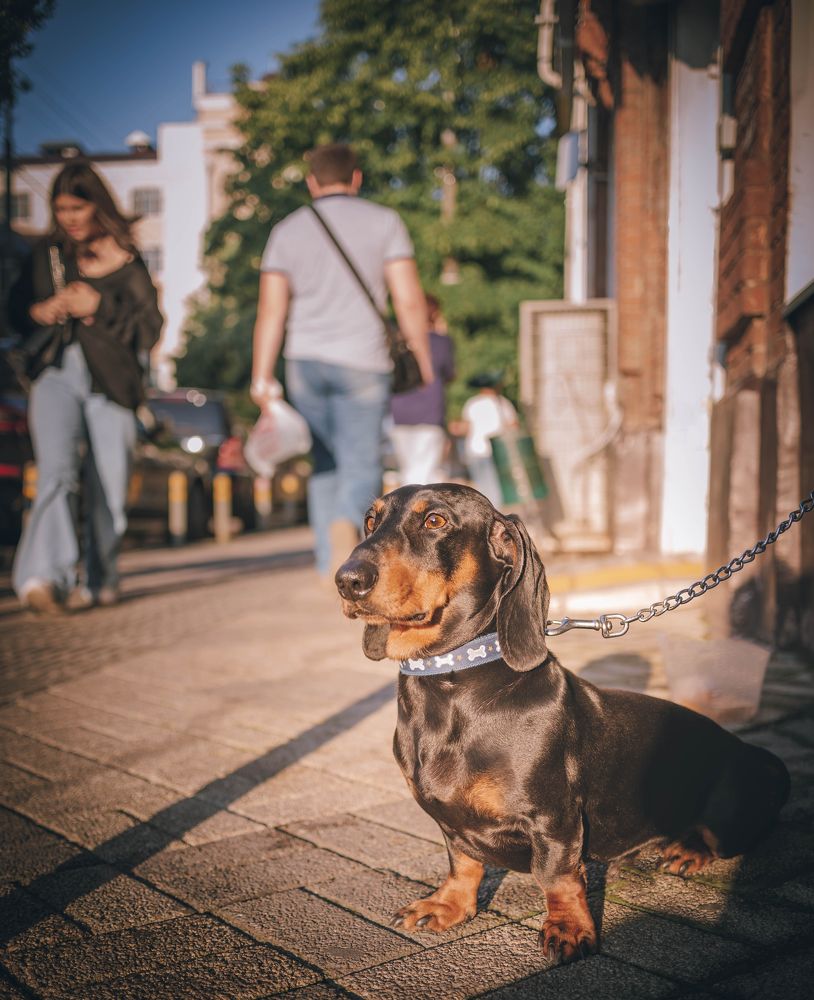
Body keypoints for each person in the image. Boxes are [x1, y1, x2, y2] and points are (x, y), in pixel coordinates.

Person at [250, 142, 433, 578]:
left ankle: (323, 561)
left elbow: (271, 310)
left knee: (325, 461)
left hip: (304, 361)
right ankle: (346, 531)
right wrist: (422, 358)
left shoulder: (287, 230)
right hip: (362, 360)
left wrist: (261, 375)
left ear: (312, 181)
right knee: (361, 460)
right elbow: (408, 300)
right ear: (356, 178)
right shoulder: (384, 222)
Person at [7, 161, 163, 613]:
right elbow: (15, 312)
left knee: (109, 488)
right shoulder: (46, 256)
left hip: (112, 382)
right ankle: (42, 578)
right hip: (54, 372)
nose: (70, 217)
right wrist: (40, 312)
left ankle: (101, 577)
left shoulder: (128, 264)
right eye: (61, 209)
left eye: (78, 207)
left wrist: (100, 304)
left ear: (98, 205)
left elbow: (149, 330)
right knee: (56, 473)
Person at [389, 293, 455, 486]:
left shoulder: (395, 341)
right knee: (424, 470)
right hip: (430, 412)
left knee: (408, 470)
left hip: (399, 412)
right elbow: (450, 374)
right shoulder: (440, 341)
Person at [453, 372, 519, 507]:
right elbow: (514, 426)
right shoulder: (502, 403)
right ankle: (497, 511)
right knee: (497, 484)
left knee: (483, 485)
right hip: (496, 450)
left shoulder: (472, 403)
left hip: (475, 450)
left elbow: (466, 428)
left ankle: (490, 510)